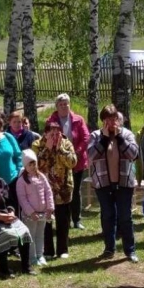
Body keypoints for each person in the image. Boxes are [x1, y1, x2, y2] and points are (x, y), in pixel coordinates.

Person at [88, 104, 139, 263]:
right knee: (108, 215)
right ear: (103, 121)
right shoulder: (96, 135)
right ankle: (109, 248)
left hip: (124, 182)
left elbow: (133, 154)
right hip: (103, 183)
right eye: (108, 119)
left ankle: (130, 250)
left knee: (125, 216)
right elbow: (91, 155)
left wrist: (119, 138)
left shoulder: (127, 134)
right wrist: (104, 139)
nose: (112, 122)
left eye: (114, 118)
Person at [32, 121, 77, 259]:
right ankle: (48, 251)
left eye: (57, 133)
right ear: (45, 133)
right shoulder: (37, 145)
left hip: (63, 189)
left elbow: (73, 162)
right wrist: (47, 149)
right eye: (52, 134)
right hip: (44, 190)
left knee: (63, 220)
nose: (55, 136)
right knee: (46, 221)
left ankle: (63, 250)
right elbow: (35, 166)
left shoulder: (66, 143)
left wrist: (59, 150)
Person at [46, 94, 90, 230]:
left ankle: (76, 219)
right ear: (56, 106)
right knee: (59, 190)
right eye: (61, 104)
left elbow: (86, 137)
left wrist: (76, 152)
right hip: (58, 162)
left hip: (76, 160)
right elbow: (47, 137)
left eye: (66, 104)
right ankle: (63, 219)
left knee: (75, 190)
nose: (64, 106)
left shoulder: (78, 119)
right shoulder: (51, 120)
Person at [16, 150, 54, 267]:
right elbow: (22, 199)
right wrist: (31, 212)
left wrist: (49, 207)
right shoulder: (21, 181)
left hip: (42, 213)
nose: (33, 167)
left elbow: (48, 192)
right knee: (31, 236)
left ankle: (40, 255)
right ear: (25, 166)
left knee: (40, 234)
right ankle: (32, 258)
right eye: (30, 165)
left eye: (34, 164)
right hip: (30, 216)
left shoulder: (41, 176)